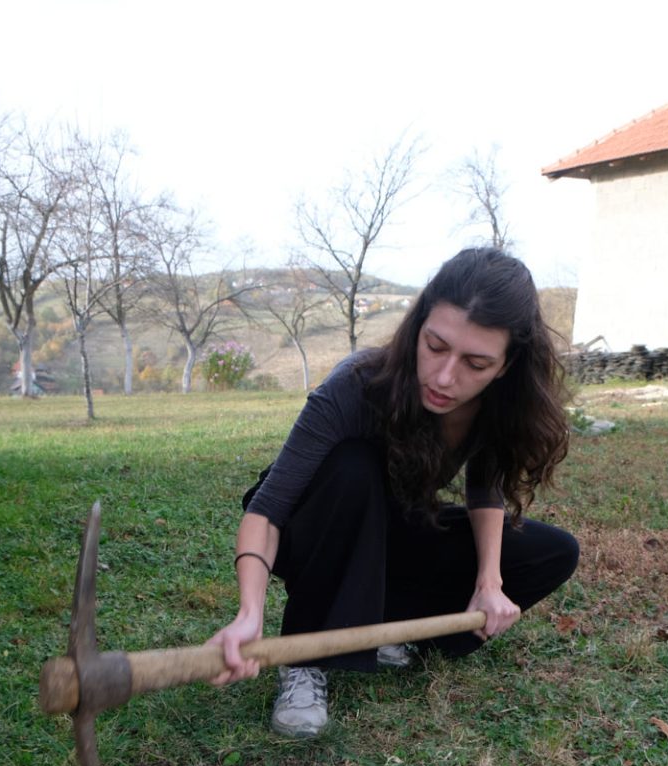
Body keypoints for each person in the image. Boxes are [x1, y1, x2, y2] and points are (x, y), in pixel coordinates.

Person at [207, 247, 579, 737]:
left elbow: (483, 492)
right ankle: (303, 656)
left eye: (476, 363)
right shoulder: (356, 385)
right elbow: (269, 509)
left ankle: (388, 626)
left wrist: (489, 582)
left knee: (551, 553)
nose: (446, 377)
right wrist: (249, 613)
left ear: (506, 366)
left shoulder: (495, 408)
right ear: (419, 325)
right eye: (436, 346)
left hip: (396, 527)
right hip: (320, 525)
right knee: (355, 467)